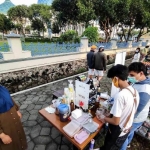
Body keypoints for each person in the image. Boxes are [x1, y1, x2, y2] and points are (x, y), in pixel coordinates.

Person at [98, 64, 139, 150]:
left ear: (116, 78)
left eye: (112, 79)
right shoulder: (134, 91)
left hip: (117, 133)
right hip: (127, 129)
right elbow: (132, 110)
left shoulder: (120, 96)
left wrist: (103, 117)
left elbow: (115, 122)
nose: (113, 82)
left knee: (108, 147)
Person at [121, 62, 150, 150]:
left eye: (132, 74)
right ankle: (129, 143)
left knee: (123, 137)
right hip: (133, 116)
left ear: (141, 73)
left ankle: (123, 147)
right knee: (130, 132)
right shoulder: (138, 82)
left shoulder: (145, 89)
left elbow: (138, 109)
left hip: (135, 118)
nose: (129, 77)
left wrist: (128, 121)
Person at [0, 85, 27, 150]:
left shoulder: (1, 88)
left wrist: (16, 110)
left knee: (19, 138)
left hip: (13, 119)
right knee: (9, 145)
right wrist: (1, 135)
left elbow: (9, 99)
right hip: (4, 125)